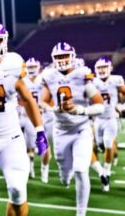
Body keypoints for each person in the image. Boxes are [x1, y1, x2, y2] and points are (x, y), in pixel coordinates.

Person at [0, 18, 48, 216]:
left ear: (3, 41)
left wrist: (40, 131)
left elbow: (28, 99)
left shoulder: (14, 63)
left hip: (11, 140)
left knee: (18, 190)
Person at [40, 42, 104, 216]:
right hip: (60, 130)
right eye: (58, 57)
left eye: (64, 56)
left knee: (80, 169)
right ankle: (64, 176)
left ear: (72, 57)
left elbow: (100, 106)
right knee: (63, 169)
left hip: (81, 129)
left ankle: (80, 213)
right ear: (53, 59)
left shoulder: (82, 75)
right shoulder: (49, 76)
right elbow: (43, 102)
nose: (62, 60)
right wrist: (54, 109)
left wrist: (81, 110)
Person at [91, 56, 125, 192]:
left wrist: (123, 106)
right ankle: (102, 169)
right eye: (99, 68)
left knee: (109, 144)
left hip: (110, 119)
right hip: (97, 120)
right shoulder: (92, 81)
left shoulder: (116, 80)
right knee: (99, 146)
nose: (101, 70)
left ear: (110, 68)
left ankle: (106, 172)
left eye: (104, 67)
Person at [24, 57, 53, 184]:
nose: (31, 70)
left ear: (38, 67)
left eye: (33, 67)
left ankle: (44, 169)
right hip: (29, 116)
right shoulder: (22, 80)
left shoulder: (44, 78)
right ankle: (30, 168)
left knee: (45, 145)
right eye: (29, 67)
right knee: (29, 146)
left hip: (45, 115)